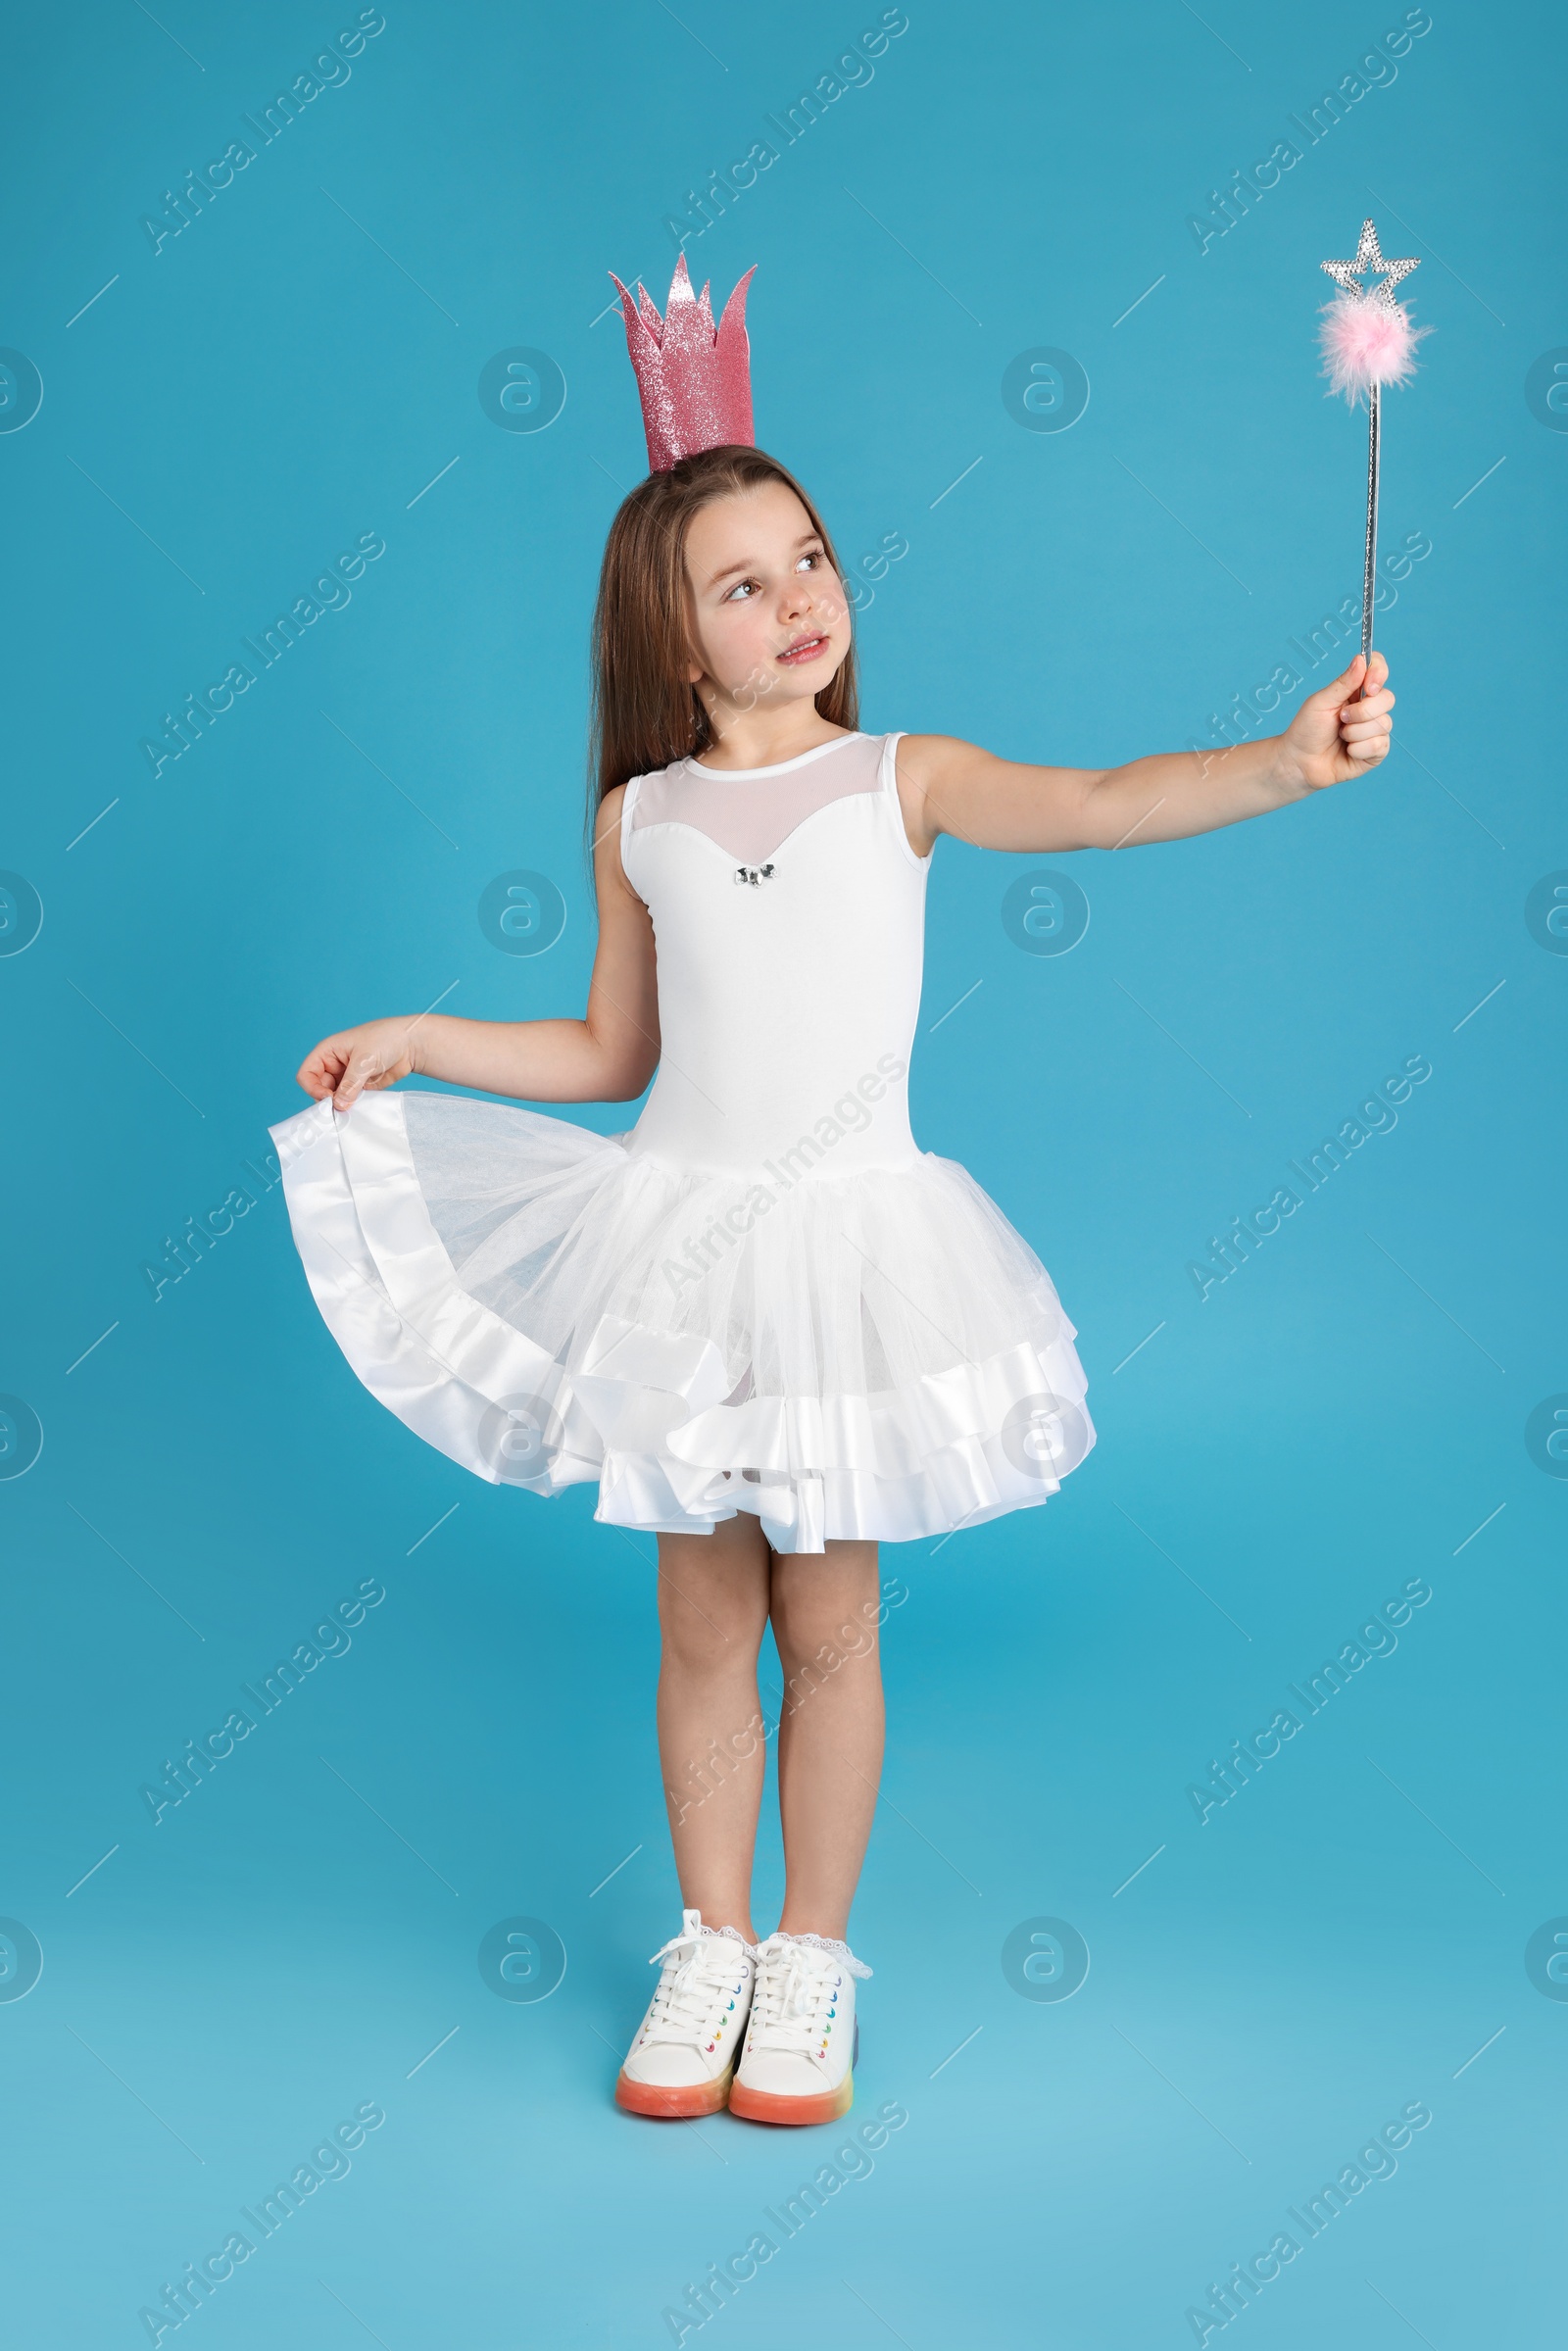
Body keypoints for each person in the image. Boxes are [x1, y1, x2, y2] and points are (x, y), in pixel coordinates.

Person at [270, 259, 1395, 2128]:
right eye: (742, 582)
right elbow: (620, 1055)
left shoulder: (905, 776)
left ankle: (808, 1956)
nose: (798, 599)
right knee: (698, 1621)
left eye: (811, 558)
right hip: (682, 1246)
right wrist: (426, 1034)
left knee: (827, 1622)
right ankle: (705, 1943)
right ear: (671, 633)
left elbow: (1110, 799)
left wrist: (1285, 759)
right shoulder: (639, 820)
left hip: (855, 1251)